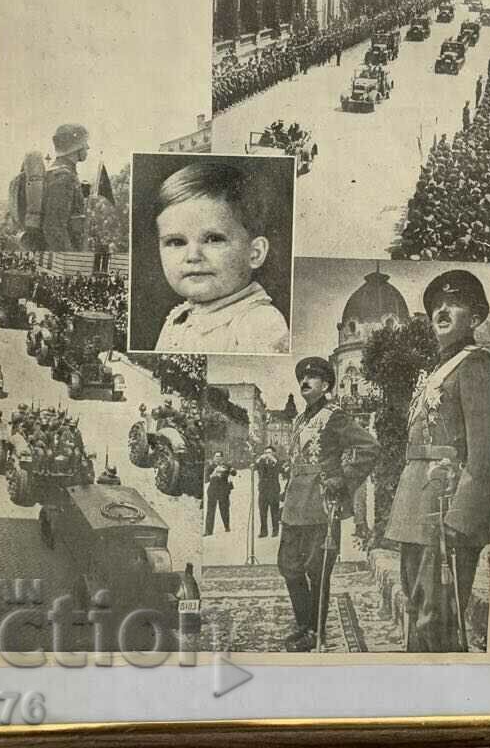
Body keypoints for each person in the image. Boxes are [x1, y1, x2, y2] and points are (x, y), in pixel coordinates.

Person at [385, 269, 490, 653]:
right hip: (416, 507)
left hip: (445, 511)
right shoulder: (434, 373)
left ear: (476, 316)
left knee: (436, 618)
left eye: (454, 302)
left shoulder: (478, 366)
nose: (442, 310)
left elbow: (485, 454)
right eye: (436, 304)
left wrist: (460, 522)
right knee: (418, 606)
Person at [277, 357, 380, 652]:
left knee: (317, 570)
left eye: (313, 378)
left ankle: (314, 631)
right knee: (289, 567)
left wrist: (343, 480)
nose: (305, 382)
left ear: (325, 385)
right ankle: (303, 624)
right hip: (295, 505)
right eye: (302, 378)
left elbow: (369, 447)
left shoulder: (334, 416)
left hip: (322, 505)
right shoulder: (300, 420)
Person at [153, 161, 290, 354]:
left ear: (255, 253)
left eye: (213, 239)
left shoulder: (260, 323)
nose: (193, 256)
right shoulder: (178, 318)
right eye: (176, 242)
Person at [42, 124, 90, 251]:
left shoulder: (61, 173)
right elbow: (54, 227)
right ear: (76, 146)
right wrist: (70, 259)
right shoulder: (63, 177)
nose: (88, 147)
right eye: (85, 143)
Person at [204, 451, 237, 535]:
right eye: (216, 456)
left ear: (222, 458)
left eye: (219, 456)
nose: (217, 458)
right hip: (213, 490)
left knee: (224, 509)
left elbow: (234, 473)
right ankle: (208, 531)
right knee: (210, 511)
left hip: (223, 490)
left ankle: (227, 526)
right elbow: (206, 479)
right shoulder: (210, 467)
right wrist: (213, 474)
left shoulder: (226, 465)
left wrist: (231, 469)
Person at [254, 445, 282, 537]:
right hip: (263, 490)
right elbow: (254, 467)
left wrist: (273, 459)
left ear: (273, 453)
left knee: (274, 511)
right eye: (265, 453)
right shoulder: (261, 461)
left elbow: (280, 469)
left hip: (273, 490)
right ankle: (263, 531)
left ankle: (275, 530)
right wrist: (258, 460)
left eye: (269, 453)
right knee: (262, 511)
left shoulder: (276, 461)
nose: (267, 455)